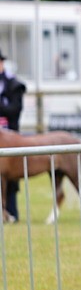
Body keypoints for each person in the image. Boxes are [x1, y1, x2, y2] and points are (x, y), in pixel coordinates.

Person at [0, 50, 26, 221]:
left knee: (11, 176)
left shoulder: (14, 84)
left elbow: (14, 110)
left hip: (10, 136)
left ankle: (12, 212)